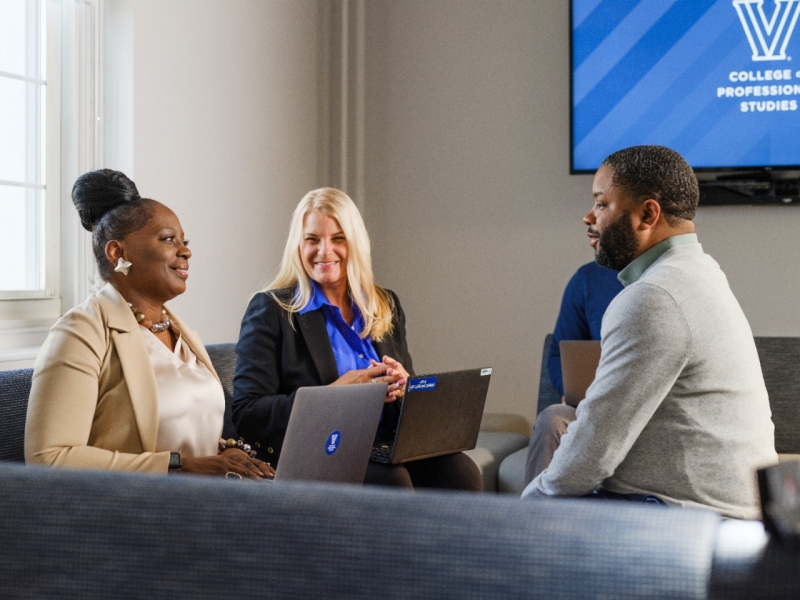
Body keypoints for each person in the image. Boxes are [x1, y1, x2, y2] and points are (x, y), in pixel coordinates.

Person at [521, 145, 777, 519]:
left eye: (601, 203)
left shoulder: (653, 297)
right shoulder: (700, 272)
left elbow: (592, 450)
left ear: (647, 214)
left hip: (683, 516)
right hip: (723, 509)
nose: (588, 217)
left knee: (526, 524)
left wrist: (522, 512)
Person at [25, 169, 274, 480]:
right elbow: (49, 458)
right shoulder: (80, 331)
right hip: (137, 513)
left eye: (185, 241)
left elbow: (186, 432)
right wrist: (178, 465)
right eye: (169, 239)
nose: (186, 251)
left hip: (210, 500)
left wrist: (226, 451)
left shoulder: (181, 332)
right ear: (118, 253)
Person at [232, 187, 483, 490]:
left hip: (381, 447)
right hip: (319, 451)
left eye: (338, 239)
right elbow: (247, 413)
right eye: (312, 239)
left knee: (462, 472)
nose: (324, 251)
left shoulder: (384, 304)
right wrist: (333, 395)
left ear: (356, 243)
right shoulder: (271, 309)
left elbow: (405, 408)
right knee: (391, 481)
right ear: (298, 246)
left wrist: (408, 389)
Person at [524, 262, 623, 483]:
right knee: (552, 419)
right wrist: (570, 389)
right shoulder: (588, 279)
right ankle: (535, 516)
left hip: (655, 416)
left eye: (599, 223)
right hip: (592, 411)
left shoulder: (673, 278)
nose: (590, 225)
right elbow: (559, 352)